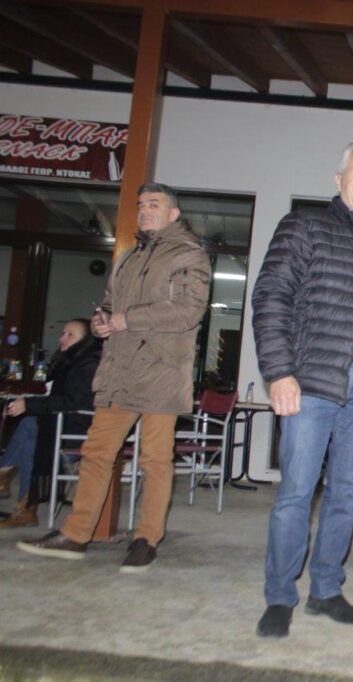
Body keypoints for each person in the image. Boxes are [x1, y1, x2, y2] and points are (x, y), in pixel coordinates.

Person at [252, 140, 353, 639]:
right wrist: (279, 372)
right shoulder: (304, 226)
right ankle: (280, 596)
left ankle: (325, 590)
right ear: (338, 179)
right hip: (311, 380)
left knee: (346, 493)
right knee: (296, 493)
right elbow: (270, 297)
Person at [18, 183, 211, 573]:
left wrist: (127, 319)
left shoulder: (189, 255)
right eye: (140, 205)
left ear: (173, 214)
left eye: (153, 205)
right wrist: (102, 321)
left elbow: (188, 311)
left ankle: (146, 539)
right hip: (119, 371)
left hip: (160, 372)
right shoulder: (128, 257)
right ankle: (75, 535)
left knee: (155, 460)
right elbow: (109, 305)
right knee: (97, 453)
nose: (144, 211)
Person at [0, 319, 101, 528]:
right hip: (60, 425)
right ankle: (25, 509)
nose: (62, 338)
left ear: (85, 341)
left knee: (30, 424)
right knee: (32, 439)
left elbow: (72, 402)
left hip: (80, 430)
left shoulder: (89, 365)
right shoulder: (68, 363)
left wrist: (29, 404)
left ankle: (5, 476)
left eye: (70, 334)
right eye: (62, 333)